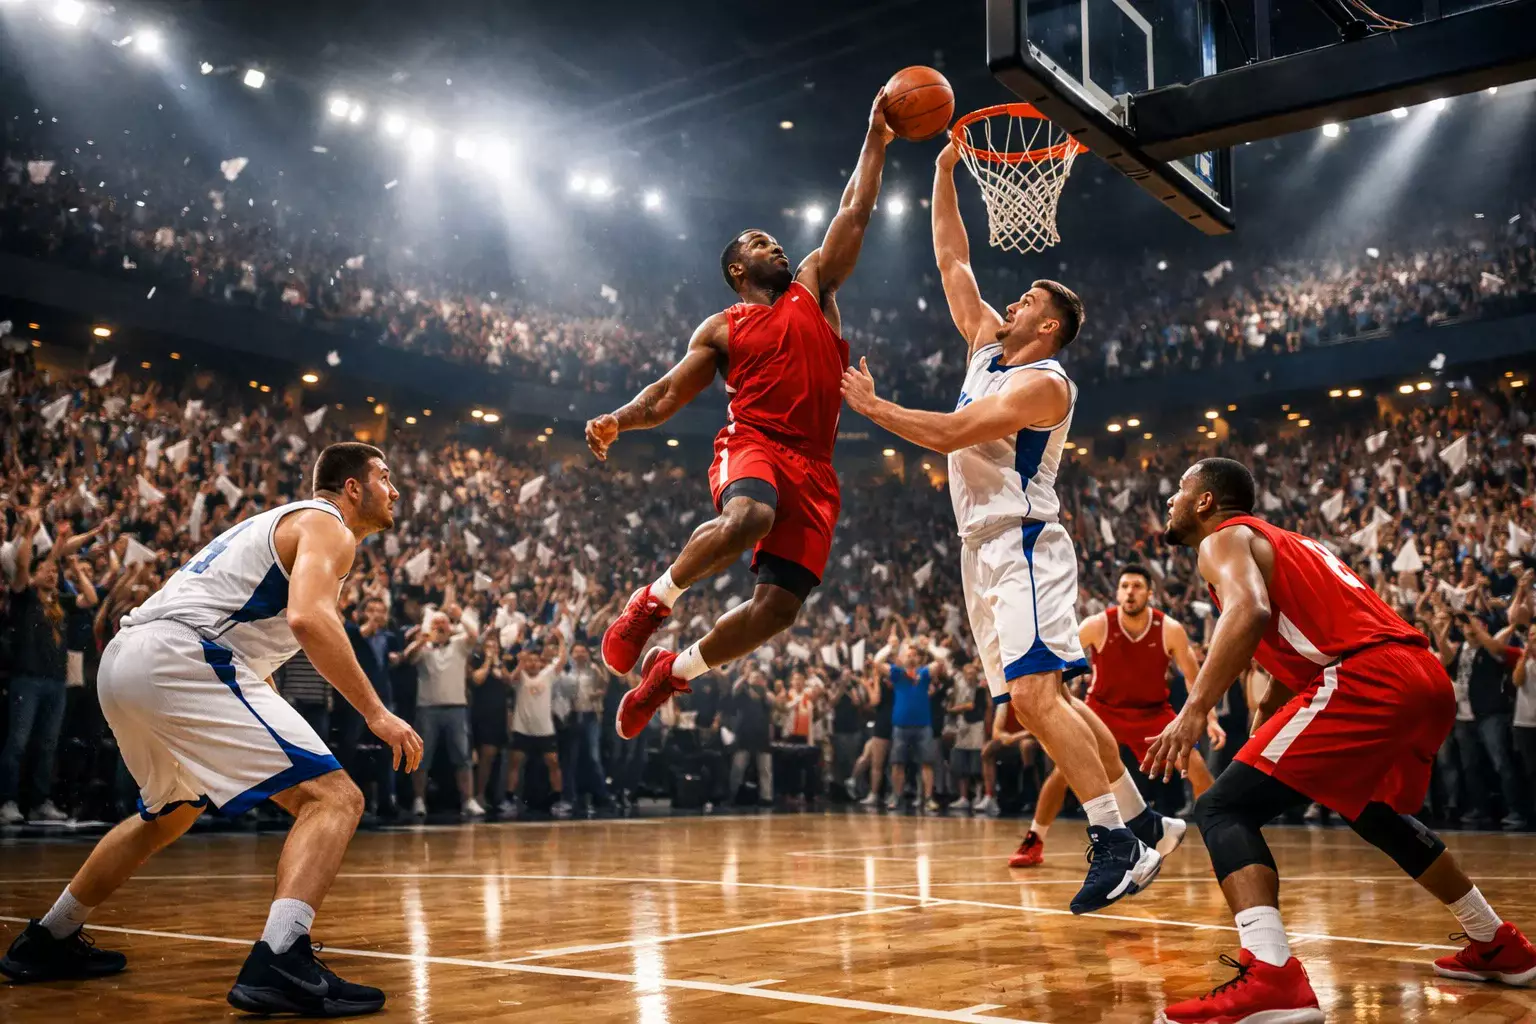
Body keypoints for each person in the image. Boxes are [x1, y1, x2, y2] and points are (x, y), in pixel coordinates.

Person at [838, 139, 1176, 915]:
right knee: (1042, 697)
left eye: (1026, 299)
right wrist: (944, 173)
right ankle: (1140, 818)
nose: (1012, 301)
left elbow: (956, 434)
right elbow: (953, 259)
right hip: (980, 550)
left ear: (1050, 325)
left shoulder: (1046, 383)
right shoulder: (989, 345)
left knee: (1032, 698)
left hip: (1023, 542)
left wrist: (875, 408)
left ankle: (1114, 841)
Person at [0, 443, 423, 1017]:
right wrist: (375, 711)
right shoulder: (329, 527)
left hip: (130, 660)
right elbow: (308, 617)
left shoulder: (277, 526)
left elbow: (255, 660)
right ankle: (281, 956)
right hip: (183, 656)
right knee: (335, 798)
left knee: (169, 813)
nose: (394, 490)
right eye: (385, 476)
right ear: (352, 487)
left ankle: (47, 939)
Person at [1147, 457, 1536, 1023]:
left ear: (1206, 502)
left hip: (1364, 678)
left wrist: (1194, 708)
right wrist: (1270, 701)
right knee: (1371, 812)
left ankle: (1273, 976)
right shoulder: (1291, 543)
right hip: (1419, 674)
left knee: (1224, 807)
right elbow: (1316, 625)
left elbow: (1250, 611)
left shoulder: (1223, 539)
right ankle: (1496, 941)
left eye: (1178, 491)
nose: (1169, 502)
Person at [584, 88, 894, 740]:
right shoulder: (723, 328)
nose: (776, 245)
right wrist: (618, 420)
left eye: (776, 239)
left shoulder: (814, 286)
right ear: (736, 268)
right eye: (760, 242)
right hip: (754, 441)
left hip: (816, 467)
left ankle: (673, 672)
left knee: (778, 611)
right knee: (749, 515)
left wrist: (877, 136)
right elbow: (666, 396)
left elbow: (857, 210)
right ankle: (653, 603)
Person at [1015, 565, 1223, 865]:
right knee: (1063, 771)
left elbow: (1195, 679)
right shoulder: (1098, 624)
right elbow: (1056, 661)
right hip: (1102, 711)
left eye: (1137, 586)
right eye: (1125, 586)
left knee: (1197, 767)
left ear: (1150, 593)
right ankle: (1034, 840)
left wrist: (1211, 719)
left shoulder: (1169, 629)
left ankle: (1219, 836)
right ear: (1117, 592)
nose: (1130, 592)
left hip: (1152, 714)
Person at [1, 510, 106, 824]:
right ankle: (6, 801)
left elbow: (90, 597)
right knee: (17, 743)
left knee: (47, 745)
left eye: (53, 570)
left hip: (55, 682)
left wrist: (74, 566)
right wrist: (32, 533)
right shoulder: (24, 597)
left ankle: (39, 801)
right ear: (33, 576)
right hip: (27, 680)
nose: (51, 574)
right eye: (44, 570)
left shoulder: (61, 601)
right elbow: (21, 564)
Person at [403, 610, 483, 818]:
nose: (440, 627)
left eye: (444, 624)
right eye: (436, 624)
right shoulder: (424, 647)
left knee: (463, 757)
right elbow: (408, 657)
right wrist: (423, 639)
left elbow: (474, 634)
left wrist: (460, 616)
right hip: (428, 708)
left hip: (456, 707)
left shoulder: (458, 644)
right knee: (422, 757)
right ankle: (419, 800)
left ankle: (468, 800)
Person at [874, 639, 944, 812]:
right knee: (898, 764)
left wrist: (929, 647)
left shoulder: (924, 673)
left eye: (914, 655)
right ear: (902, 658)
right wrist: (890, 647)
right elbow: (877, 663)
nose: (911, 658)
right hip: (901, 725)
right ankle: (896, 797)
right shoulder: (897, 673)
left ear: (919, 659)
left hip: (922, 725)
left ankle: (928, 798)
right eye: (908, 655)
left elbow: (941, 662)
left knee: (927, 763)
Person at [507, 631, 569, 818]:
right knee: (515, 763)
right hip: (522, 728)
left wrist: (561, 639)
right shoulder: (520, 677)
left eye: (536, 661)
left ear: (540, 662)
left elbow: (562, 660)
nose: (533, 664)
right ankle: (508, 799)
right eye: (529, 661)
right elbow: (511, 679)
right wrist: (520, 661)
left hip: (545, 730)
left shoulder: (547, 674)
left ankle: (558, 799)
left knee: (553, 763)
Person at [469, 633, 513, 812]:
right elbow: (477, 680)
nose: (492, 650)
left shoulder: (501, 665)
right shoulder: (477, 663)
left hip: (498, 715)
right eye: (489, 647)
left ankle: (487, 795)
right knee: (484, 756)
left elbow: (508, 680)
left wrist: (497, 662)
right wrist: (488, 661)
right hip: (481, 714)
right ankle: (477, 795)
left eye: (495, 647)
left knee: (493, 757)